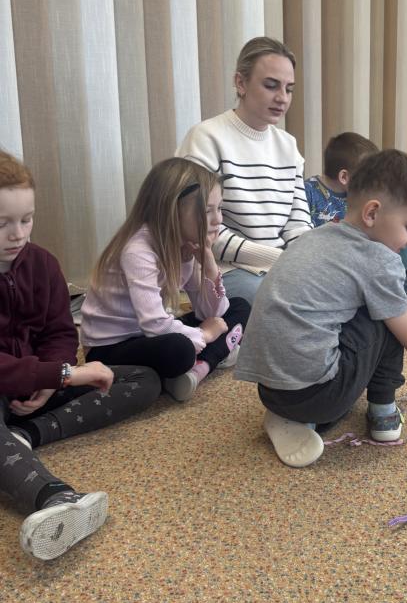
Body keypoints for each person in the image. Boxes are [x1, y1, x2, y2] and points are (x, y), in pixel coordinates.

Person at [234, 150, 407, 468]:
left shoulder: (313, 237)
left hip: (270, 390)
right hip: (319, 396)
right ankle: (383, 410)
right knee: (388, 317)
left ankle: (289, 418)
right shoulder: (379, 258)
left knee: (362, 311)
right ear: (372, 213)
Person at [0, 150, 161, 561]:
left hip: (38, 388)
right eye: (2, 224)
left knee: (143, 379)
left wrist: (52, 378)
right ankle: (55, 497)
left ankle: (26, 436)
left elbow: (58, 331)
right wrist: (60, 375)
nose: (17, 235)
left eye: (26, 219)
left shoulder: (43, 264)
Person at [80, 158, 250, 402]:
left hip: (149, 336)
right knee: (179, 350)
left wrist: (209, 265)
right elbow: (155, 325)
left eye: (219, 208)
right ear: (172, 211)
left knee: (240, 306)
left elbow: (212, 313)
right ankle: (213, 354)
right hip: (110, 348)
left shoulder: (185, 245)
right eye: (207, 211)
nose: (218, 220)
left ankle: (199, 368)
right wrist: (206, 335)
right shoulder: (138, 251)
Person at [176, 37, 312, 305]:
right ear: (240, 83)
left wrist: (305, 261)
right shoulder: (206, 137)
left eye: (289, 89)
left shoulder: (288, 145)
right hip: (223, 268)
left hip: (280, 264)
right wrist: (279, 260)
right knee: (280, 305)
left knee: (343, 296)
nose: (282, 98)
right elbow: (199, 228)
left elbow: (298, 224)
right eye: (271, 85)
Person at [305, 132, 378, 226]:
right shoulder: (307, 192)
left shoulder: (359, 196)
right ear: (344, 177)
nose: (371, 183)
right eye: (367, 177)